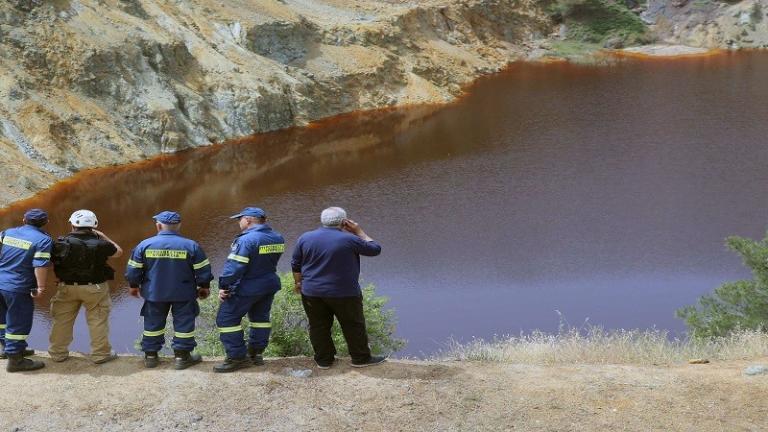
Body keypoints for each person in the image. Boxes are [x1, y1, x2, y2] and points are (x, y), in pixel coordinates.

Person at [291, 207, 385, 369]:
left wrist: (298, 283)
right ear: (344, 222)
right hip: (344, 293)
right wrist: (359, 231)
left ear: (322, 220)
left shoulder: (305, 238)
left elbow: (295, 264)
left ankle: (324, 361)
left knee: (318, 326)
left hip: (312, 292)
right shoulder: (349, 239)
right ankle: (360, 359)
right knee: (352, 324)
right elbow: (375, 249)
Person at [125, 211, 212, 369]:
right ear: (179, 226)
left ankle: (151, 356)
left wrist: (133, 286)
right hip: (184, 293)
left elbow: (133, 270)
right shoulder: (191, 245)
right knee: (184, 325)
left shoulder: (144, 245)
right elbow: (203, 270)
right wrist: (204, 287)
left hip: (154, 293)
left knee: (152, 324)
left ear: (158, 225)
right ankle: (182, 358)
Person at [214, 207, 285, 373]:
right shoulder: (277, 237)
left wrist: (224, 286)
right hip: (268, 284)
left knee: (226, 319)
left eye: (240, 219)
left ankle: (237, 358)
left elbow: (234, 267)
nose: (239, 222)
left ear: (248, 220)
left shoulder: (246, 240)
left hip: (247, 286)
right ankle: (256, 353)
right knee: (260, 318)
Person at [49, 209, 123, 364]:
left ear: (73, 225)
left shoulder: (60, 243)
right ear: (94, 225)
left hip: (66, 287)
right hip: (95, 289)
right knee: (97, 321)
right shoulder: (101, 244)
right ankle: (100, 354)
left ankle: (58, 353)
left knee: (62, 321)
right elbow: (119, 252)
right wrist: (102, 235)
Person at [0, 208, 52, 372]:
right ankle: (15, 360)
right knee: (19, 322)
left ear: (24, 220)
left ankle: (9, 349)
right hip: (17, 287)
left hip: (1, 281)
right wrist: (41, 287)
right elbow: (40, 266)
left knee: (2, 319)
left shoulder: (6, 233)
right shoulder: (43, 240)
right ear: (45, 223)